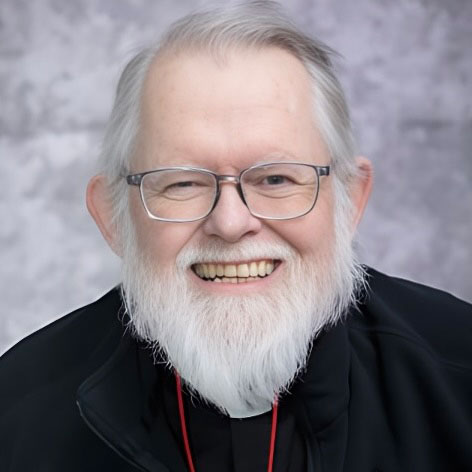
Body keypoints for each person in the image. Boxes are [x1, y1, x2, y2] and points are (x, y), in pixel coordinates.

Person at [1, 2, 471, 471]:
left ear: (350, 200)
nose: (230, 223)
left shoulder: (460, 374)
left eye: (276, 179)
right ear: (112, 217)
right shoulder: (16, 413)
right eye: (182, 183)